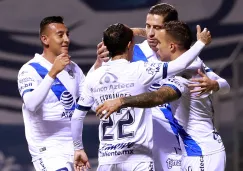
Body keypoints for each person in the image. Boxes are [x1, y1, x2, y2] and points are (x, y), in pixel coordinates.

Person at [96, 3, 230, 171]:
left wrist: (215, 84)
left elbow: (224, 85)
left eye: (157, 28)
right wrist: (99, 62)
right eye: (148, 26)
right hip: (152, 138)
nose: (151, 34)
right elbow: (103, 79)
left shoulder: (186, 61)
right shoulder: (132, 52)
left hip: (187, 143)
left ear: (169, 31)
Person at [71, 22, 211, 171]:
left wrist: (78, 149)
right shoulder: (140, 69)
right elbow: (179, 64)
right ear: (130, 45)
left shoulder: (93, 77)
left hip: (107, 160)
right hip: (138, 160)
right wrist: (201, 42)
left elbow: (77, 117)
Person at [17, 16, 89, 171]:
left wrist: (98, 66)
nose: (66, 40)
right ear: (45, 39)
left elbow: (90, 101)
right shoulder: (30, 69)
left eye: (67, 35)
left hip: (74, 149)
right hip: (47, 150)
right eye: (60, 35)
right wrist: (53, 73)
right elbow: (30, 104)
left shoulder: (73, 68)